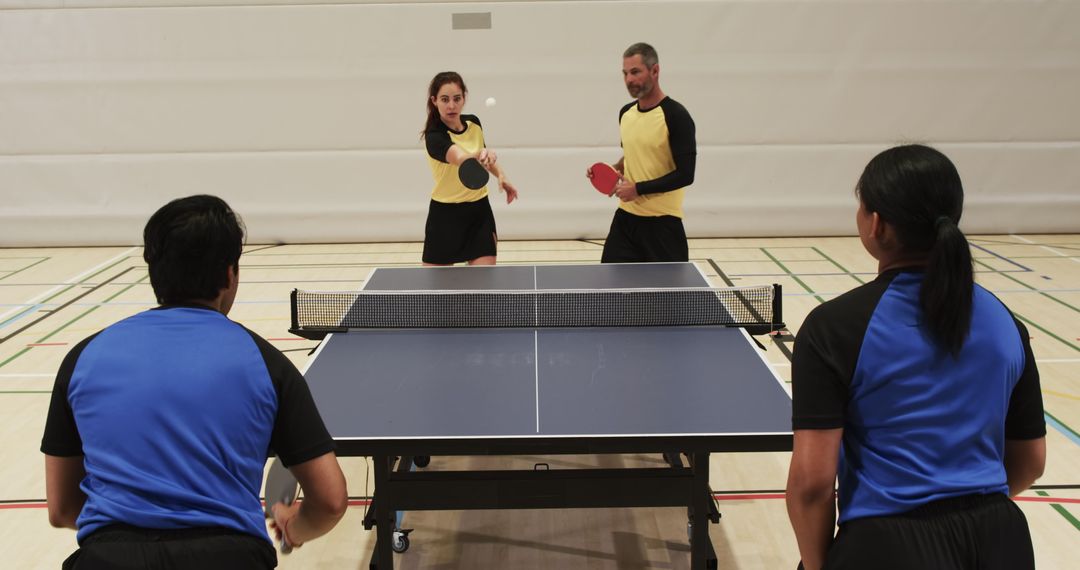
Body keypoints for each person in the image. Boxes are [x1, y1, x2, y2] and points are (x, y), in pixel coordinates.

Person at [41, 195, 348, 569]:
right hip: (230, 557)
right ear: (229, 275)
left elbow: (61, 509)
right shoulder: (266, 363)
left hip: (109, 559)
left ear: (153, 269)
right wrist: (295, 528)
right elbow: (330, 501)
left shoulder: (82, 358)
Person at [786, 145, 1046, 570]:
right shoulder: (1004, 322)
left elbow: (813, 485)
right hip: (1002, 540)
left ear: (876, 224)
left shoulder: (834, 327)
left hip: (888, 544)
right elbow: (1030, 462)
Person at [588, 42, 697, 263]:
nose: (629, 80)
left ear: (655, 71)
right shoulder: (626, 113)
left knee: (670, 297)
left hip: (663, 225)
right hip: (625, 222)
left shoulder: (676, 115)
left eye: (635, 72)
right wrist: (612, 170)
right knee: (609, 290)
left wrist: (638, 188)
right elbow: (632, 154)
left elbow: (686, 174)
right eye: (625, 73)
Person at [421, 71, 519, 266]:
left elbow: (483, 155)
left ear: (464, 98)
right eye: (445, 99)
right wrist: (480, 154)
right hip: (444, 217)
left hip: (478, 212)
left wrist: (501, 175)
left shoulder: (474, 122)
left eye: (457, 99)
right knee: (434, 292)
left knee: (482, 285)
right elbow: (461, 157)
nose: (451, 105)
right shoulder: (434, 136)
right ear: (434, 101)